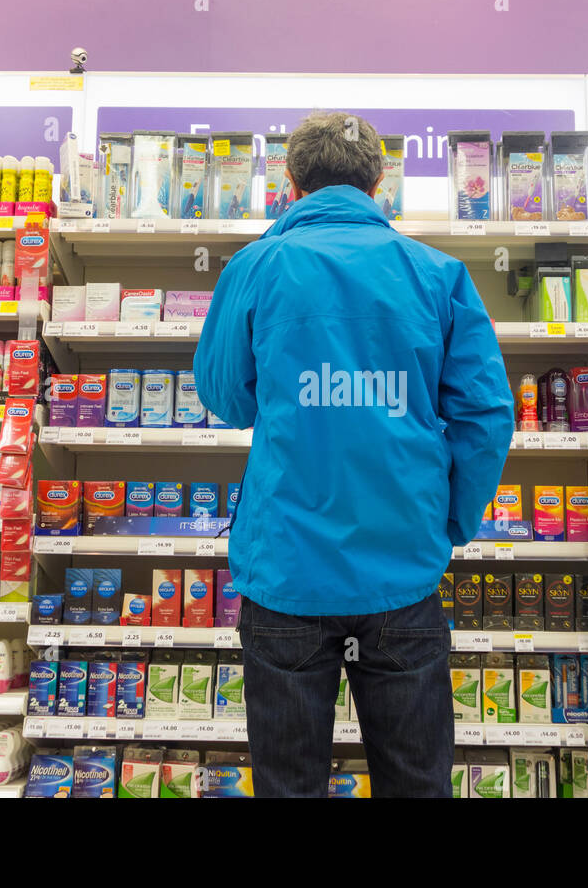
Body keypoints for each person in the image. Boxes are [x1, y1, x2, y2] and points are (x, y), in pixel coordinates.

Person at [194, 111, 513, 797]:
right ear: (380, 180)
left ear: (290, 179)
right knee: (416, 781)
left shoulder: (255, 267)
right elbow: (486, 415)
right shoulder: (437, 273)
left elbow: (226, 395)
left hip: (286, 571)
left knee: (288, 784)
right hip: (401, 571)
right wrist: (449, 522)